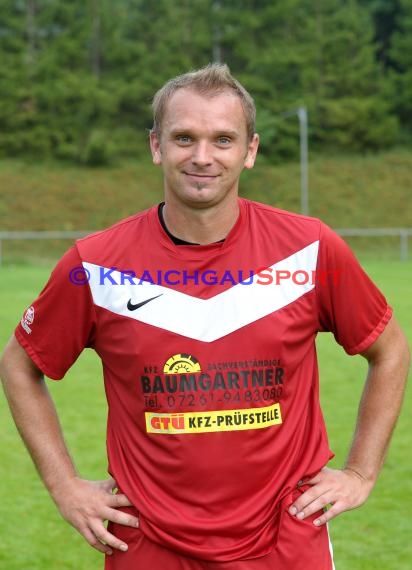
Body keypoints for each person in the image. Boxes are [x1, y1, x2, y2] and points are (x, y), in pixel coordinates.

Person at [0, 63, 409, 570]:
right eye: (184, 137)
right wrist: (64, 485)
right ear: (156, 146)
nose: (202, 157)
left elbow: (388, 347)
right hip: (147, 543)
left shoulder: (310, 251)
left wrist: (361, 473)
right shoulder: (95, 266)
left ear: (250, 151)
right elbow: (20, 363)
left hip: (285, 541)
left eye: (222, 139)